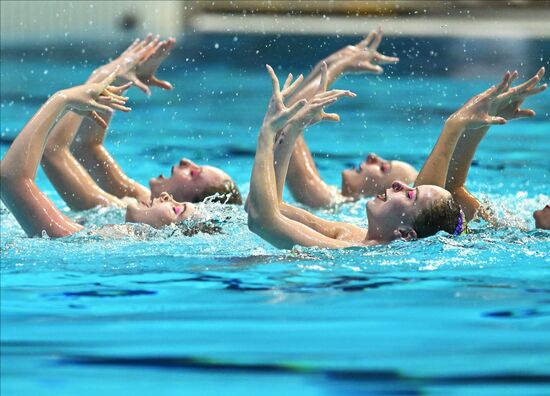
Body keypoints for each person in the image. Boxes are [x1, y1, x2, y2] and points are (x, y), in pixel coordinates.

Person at [247, 63, 546, 249]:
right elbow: (266, 205)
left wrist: (267, 132)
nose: (399, 185)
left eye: (411, 194)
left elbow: (262, 219)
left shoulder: (348, 254)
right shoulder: (350, 234)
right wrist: (292, 131)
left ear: (404, 234)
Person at [41, 35, 241, 214]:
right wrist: (117, 82)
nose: (186, 161)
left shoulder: (113, 213)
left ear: (185, 206)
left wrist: (103, 76)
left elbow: (51, 151)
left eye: (194, 174)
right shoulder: (142, 202)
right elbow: (86, 147)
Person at [0, 72, 196, 238]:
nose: (166, 195)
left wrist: (62, 99)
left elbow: (12, 179)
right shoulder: (99, 242)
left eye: (176, 209)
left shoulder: (83, 243)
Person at [280, 27, 418, 208]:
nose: (372, 156)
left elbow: (284, 123)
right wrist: (335, 61)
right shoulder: (331, 197)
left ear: (380, 194)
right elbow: (291, 125)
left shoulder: (325, 201)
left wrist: (341, 67)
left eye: (383, 168)